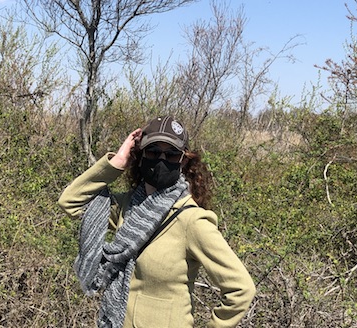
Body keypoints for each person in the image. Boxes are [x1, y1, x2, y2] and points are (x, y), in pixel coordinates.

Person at [58, 116, 256, 328]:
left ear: (183, 160)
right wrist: (117, 162)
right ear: (141, 156)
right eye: (153, 152)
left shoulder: (192, 220)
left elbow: (241, 289)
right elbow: (70, 202)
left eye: (171, 155)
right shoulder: (128, 206)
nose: (161, 160)